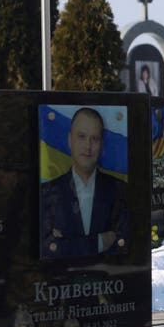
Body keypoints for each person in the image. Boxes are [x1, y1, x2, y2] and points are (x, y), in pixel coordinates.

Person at [40, 107, 128, 259]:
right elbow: (47, 248)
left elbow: (124, 244)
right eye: (81, 136)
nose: (88, 147)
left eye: (94, 139)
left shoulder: (120, 190)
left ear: (102, 144)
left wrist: (67, 242)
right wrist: (99, 242)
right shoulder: (46, 192)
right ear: (70, 139)